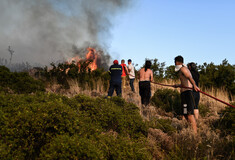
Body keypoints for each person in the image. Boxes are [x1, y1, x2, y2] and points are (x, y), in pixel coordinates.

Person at [174, 56, 200, 134]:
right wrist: (178, 85)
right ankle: (189, 129)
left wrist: (194, 86)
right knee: (185, 114)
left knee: (190, 114)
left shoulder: (183, 69)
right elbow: (184, 82)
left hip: (188, 94)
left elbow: (190, 77)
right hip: (183, 94)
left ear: (176, 62)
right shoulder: (180, 70)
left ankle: (195, 134)